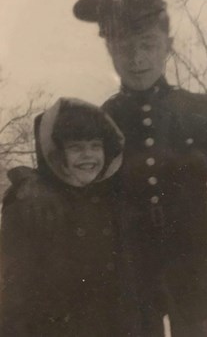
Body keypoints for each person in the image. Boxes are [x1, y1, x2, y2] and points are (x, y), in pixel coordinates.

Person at [73, 0, 207, 336]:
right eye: (123, 48)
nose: (137, 59)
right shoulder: (101, 122)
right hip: (130, 276)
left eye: (147, 44)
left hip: (201, 270)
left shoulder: (204, 111)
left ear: (168, 44)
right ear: (109, 50)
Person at [0, 97, 130, 337]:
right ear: (57, 154)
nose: (88, 156)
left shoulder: (109, 200)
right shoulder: (30, 204)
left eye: (95, 145)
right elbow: (15, 294)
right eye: (76, 148)